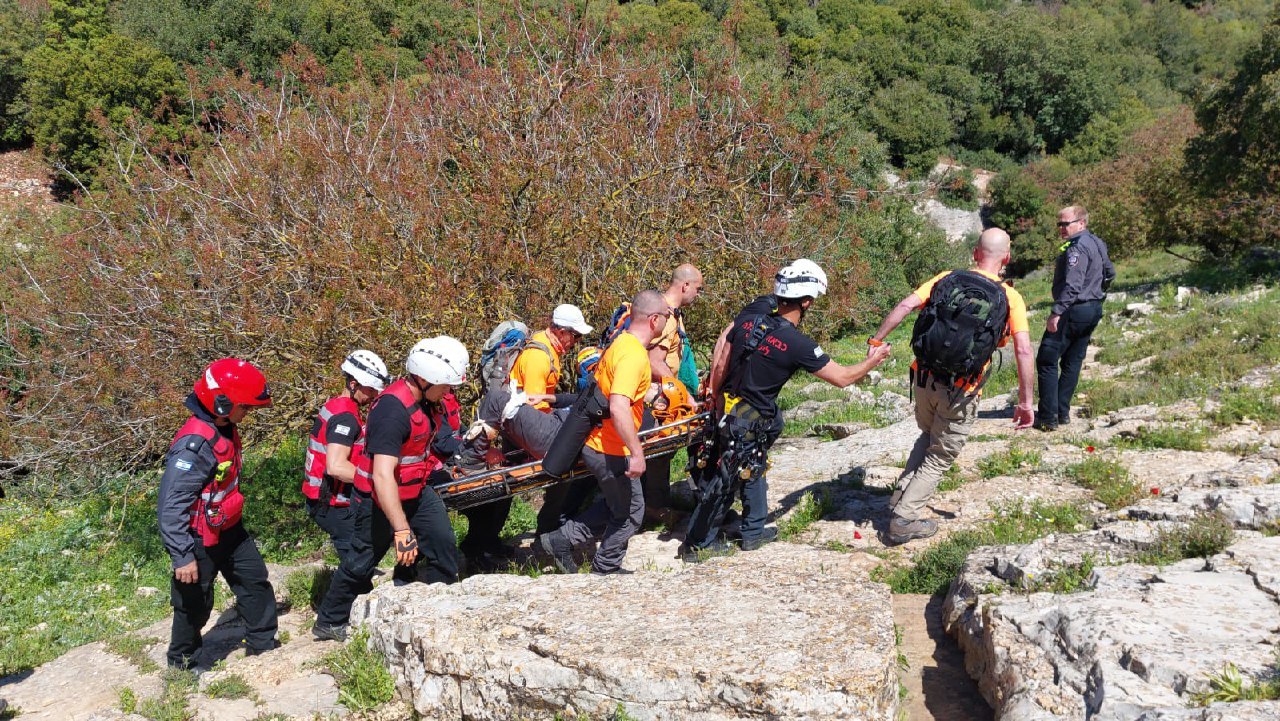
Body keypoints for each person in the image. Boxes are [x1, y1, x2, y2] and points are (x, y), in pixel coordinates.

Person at [680, 260, 892, 560]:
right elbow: (842, 378)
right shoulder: (797, 342)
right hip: (749, 415)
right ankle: (697, 543)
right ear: (806, 302)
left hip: (731, 407)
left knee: (751, 461)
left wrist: (714, 398)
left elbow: (721, 360)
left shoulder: (749, 323)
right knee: (728, 477)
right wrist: (873, 360)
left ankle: (753, 530)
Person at [868, 228, 1035, 545]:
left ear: (975, 253)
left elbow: (905, 306)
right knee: (941, 456)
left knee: (928, 435)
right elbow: (1024, 350)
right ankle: (904, 519)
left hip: (923, 377)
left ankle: (900, 497)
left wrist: (876, 341)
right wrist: (1026, 403)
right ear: (1007, 258)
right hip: (961, 388)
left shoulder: (947, 278)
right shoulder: (1011, 297)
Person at [312, 337, 466, 640]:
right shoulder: (392, 412)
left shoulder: (427, 403)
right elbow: (382, 476)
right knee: (361, 561)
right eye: (446, 385)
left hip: (415, 490)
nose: (449, 392)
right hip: (378, 498)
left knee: (442, 543)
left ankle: (436, 608)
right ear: (423, 379)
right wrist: (401, 530)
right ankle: (329, 620)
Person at [539, 290, 668, 575]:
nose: (668, 323)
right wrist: (637, 453)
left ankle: (563, 539)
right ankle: (603, 564)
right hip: (610, 446)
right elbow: (619, 406)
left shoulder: (619, 343)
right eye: (667, 318)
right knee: (632, 513)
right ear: (654, 320)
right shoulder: (634, 355)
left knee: (618, 506)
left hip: (599, 440)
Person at [159, 358, 277, 669]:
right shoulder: (194, 446)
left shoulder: (224, 426)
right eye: (245, 407)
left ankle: (264, 648)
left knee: (255, 583)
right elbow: (171, 506)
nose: (248, 413)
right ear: (221, 402)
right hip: (198, 538)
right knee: (194, 604)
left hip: (230, 529)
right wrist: (182, 555)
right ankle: (181, 663)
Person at [466, 304, 593, 559]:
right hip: (522, 426)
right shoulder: (538, 357)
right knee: (553, 475)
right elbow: (534, 406)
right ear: (559, 330)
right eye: (575, 336)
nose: (576, 342)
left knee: (509, 483)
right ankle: (533, 537)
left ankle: (487, 542)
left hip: (516, 425)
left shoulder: (547, 349)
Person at [302, 350, 389, 576]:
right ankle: (344, 604)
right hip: (333, 504)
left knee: (361, 555)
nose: (373, 395)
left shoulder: (335, 406)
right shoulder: (346, 418)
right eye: (370, 390)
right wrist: (377, 480)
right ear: (353, 384)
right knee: (356, 565)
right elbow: (337, 466)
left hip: (323, 500)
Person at [1035, 205, 1115, 431]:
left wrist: (1057, 312)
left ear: (1081, 223)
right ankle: (1062, 412)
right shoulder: (1097, 242)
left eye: (1065, 224)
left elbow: (1073, 285)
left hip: (1073, 309)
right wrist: (1097, 292)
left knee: (1047, 360)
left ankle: (1048, 417)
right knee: (1072, 361)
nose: (1061, 228)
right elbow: (1110, 273)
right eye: (1059, 224)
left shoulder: (1076, 248)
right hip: (1092, 308)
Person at [643, 264, 704, 524]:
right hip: (656, 396)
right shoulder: (665, 316)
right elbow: (654, 360)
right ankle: (654, 508)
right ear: (685, 286)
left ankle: (654, 505)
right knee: (659, 449)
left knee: (661, 451)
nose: (698, 295)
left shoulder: (672, 314)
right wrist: (681, 393)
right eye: (698, 289)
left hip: (664, 392)